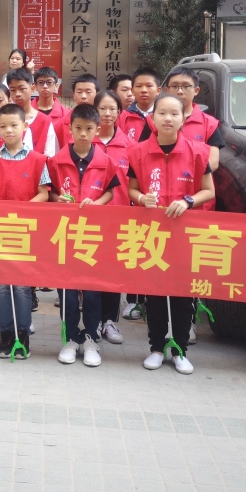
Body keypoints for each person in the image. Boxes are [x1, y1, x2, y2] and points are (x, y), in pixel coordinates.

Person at [127, 94, 215, 375]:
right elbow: (131, 189)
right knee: (154, 294)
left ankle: (179, 350)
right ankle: (155, 348)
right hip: (151, 231)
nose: (168, 118)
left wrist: (188, 201)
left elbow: (209, 191)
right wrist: (142, 199)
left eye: (174, 113)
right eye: (162, 113)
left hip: (184, 233)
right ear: (152, 118)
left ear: (183, 118)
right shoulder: (137, 152)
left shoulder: (198, 152)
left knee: (181, 294)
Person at [47, 104, 121, 367]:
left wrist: (97, 204)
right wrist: (58, 199)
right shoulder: (55, 162)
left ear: (97, 130)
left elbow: (111, 191)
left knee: (91, 292)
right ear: (70, 129)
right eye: (78, 128)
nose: (82, 134)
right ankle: (70, 338)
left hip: (93, 237)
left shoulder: (106, 161)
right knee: (66, 292)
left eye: (89, 129)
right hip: (65, 235)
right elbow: (49, 192)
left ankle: (91, 338)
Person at [0, 104, 51, 358]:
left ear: (25, 126)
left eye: (14, 125)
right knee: (1, 286)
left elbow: (44, 194)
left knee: (22, 286)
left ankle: (23, 335)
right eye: (3, 126)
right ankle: (5, 334)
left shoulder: (38, 159)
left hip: (25, 230)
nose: (8, 130)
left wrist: (22, 210)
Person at [93, 90, 141, 322]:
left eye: (113, 109)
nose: (107, 113)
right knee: (91, 270)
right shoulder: (82, 143)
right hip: (89, 218)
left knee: (112, 271)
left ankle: (110, 321)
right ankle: (92, 321)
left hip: (119, 218)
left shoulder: (131, 147)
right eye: (102, 108)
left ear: (120, 112)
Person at [6, 68, 58, 157]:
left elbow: (50, 155)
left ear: (33, 88)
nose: (17, 94)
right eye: (13, 90)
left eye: (22, 89)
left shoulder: (45, 121)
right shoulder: (5, 119)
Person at [55, 74, 100, 148]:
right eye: (79, 92)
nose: (83, 96)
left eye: (88, 92)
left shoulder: (105, 122)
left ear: (97, 95)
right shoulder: (60, 125)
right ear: (74, 95)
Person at [118, 67, 161, 143]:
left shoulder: (164, 116)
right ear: (132, 91)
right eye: (139, 86)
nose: (144, 90)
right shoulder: (122, 117)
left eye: (149, 86)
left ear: (158, 90)